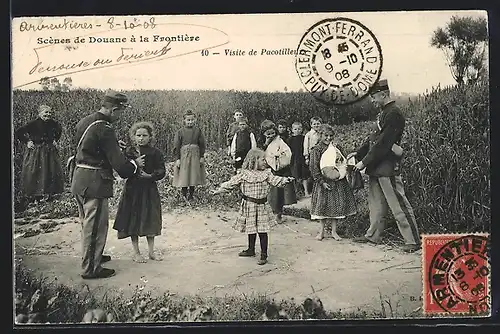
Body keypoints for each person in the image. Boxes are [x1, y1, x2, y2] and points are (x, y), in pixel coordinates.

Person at [71, 90, 145, 279]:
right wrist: (134, 164)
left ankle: (94, 256)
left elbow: (86, 147)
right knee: (95, 226)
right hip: (96, 182)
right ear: (113, 109)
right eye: (120, 112)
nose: (120, 117)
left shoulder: (86, 121)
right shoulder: (105, 128)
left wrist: (110, 147)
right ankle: (90, 269)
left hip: (80, 178)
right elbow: (122, 168)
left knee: (86, 224)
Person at [351, 79, 420, 253]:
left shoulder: (393, 114)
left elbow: (383, 143)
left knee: (398, 204)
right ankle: (373, 235)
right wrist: (358, 154)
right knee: (376, 204)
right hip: (377, 166)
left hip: (387, 165)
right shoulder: (384, 113)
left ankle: (412, 240)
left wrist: (363, 162)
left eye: (374, 97)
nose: (372, 101)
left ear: (383, 95)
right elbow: (372, 140)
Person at [211, 148, 294, 265]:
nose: (265, 162)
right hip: (249, 205)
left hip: (262, 206)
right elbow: (231, 183)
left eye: (265, 160)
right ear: (253, 161)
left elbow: (276, 180)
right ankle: (251, 249)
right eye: (262, 160)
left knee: (262, 230)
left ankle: (264, 254)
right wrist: (219, 189)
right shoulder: (244, 175)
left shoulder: (267, 174)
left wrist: (285, 180)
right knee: (251, 228)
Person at [113, 121, 166, 263]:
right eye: (138, 135)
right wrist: (134, 162)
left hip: (149, 190)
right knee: (133, 219)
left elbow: (162, 170)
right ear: (133, 136)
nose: (141, 138)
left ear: (150, 137)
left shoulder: (156, 153)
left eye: (144, 135)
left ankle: (151, 252)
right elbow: (123, 169)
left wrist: (151, 175)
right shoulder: (129, 152)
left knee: (150, 219)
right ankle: (136, 252)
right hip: (133, 190)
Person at [310, 124, 357, 240]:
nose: (328, 138)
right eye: (326, 135)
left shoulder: (337, 147)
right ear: (320, 135)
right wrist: (321, 181)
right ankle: (321, 231)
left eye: (331, 136)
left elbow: (342, 161)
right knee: (322, 207)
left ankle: (334, 232)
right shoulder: (317, 150)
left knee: (336, 206)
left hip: (337, 182)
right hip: (323, 182)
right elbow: (314, 167)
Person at [15, 105, 64, 203]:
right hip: (37, 151)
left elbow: (59, 130)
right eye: (45, 112)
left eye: (50, 113)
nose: (48, 115)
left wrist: (55, 139)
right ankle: (35, 196)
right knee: (36, 172)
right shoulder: (33, 124)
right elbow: (19, 132)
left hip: (50, 150)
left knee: (51, 170)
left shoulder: (54, 123)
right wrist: (27, 141)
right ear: (40, 113)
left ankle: (50, 195)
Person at [261, 120, 297, 224]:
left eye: (273, 133)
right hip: (269, 169)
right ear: (264, 133)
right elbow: (261, 152)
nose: (271, 135)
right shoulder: (263, 141)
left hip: (282, 170)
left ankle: (279, 215)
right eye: (268, 134)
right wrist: (266, 143)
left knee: (280, 193)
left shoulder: (281, 140)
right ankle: (269, 214)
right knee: (270, 194)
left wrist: (279, 155)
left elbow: (287, 151)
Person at [172, 110, 207, 200]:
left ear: (195, 120)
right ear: (184, 120)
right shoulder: (180, 132)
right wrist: (177, 159)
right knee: (184, 174)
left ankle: (191, 195)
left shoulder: (198, 131)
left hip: (195, 155)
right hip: (184, 155)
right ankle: (184, 195)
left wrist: (202, 156)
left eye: (192, 120)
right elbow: (177, 145)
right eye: (188, 120)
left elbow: (202, 144)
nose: (190, 122)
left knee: (193, 174)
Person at [288, 121, 311, 198]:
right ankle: (296, 193)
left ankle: (306, 191)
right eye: (295, 129)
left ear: (301, 129)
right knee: (295, 176)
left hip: (302, 158)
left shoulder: (304, 138)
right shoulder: (290, 139)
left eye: (299, 129)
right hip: (294, 159)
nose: (297, 130)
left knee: (304, 175)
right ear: (292, 130)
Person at [303, 117, 322, 194]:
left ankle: (320, 188)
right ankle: (313, 189)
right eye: (314, 124)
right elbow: (306, 146)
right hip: (312, 155)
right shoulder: (309, 135)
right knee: (313, 171)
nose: (316, 125)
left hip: (321, 154)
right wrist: (306, 157)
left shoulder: (321, 133)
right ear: (311, 125)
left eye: (318, 123)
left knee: (321, 170)